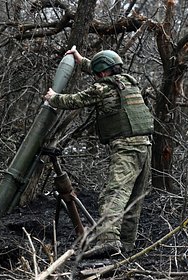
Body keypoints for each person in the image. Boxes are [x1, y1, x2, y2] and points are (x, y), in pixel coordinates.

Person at [44, 47, 154, 258]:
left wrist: (54, 97)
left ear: (103, 74)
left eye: (97, 73)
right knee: (133, 198)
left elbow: (74, 100)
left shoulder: (102, 89)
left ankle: (109, 242)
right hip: (145, 146)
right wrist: (81, 60)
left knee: (113, 195)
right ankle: (127, 245)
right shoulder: (129, 83)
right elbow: (101, 71)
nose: (96, 77)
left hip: (126, 149)